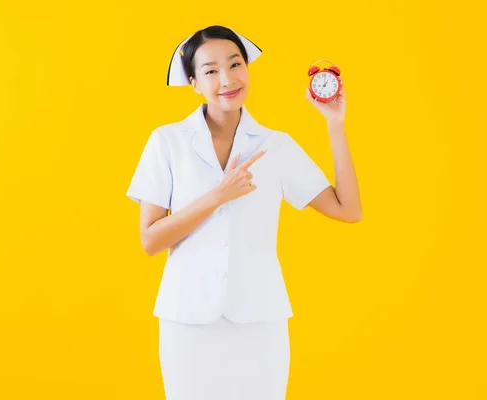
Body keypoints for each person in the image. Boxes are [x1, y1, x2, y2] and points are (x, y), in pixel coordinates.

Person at [126, 25, 361, 400]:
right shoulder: (167, 142)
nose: (227, 79)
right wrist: (218, 196)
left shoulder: (275, 145)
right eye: (211, 71)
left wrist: (334, 124)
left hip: (259, 319)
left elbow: (348, 209)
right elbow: (150, 239)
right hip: (187, 320)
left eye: (236, 64)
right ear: (193, 82)